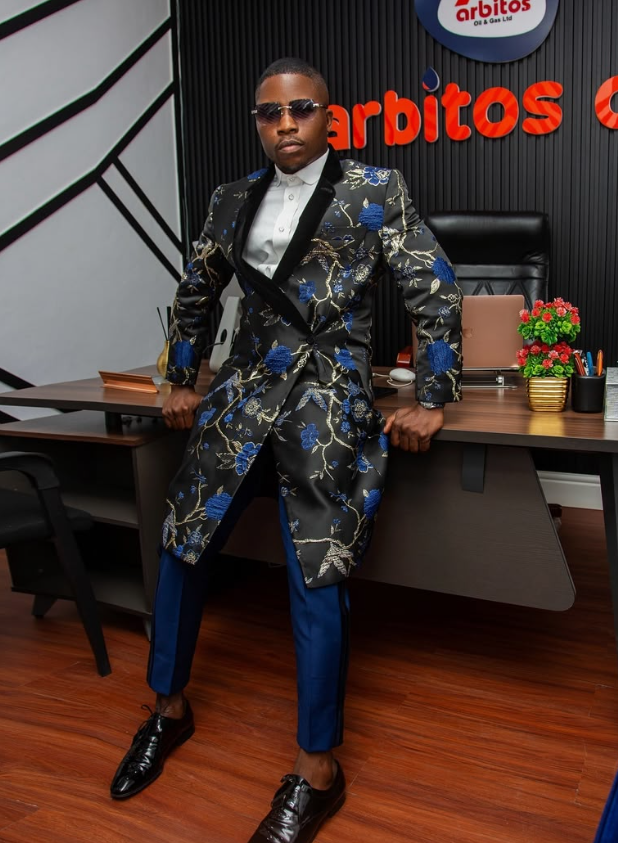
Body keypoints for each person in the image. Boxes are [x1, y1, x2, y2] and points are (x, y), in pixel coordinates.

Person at [110, 57, 462, 843]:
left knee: (317, 571)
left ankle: (317, 767)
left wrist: (432, 396)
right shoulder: (230, 198)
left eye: (300, 109)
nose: (285, 123)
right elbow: (197, 290)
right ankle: (168, 707)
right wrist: (178, 378)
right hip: (240, 392)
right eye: (269, 113)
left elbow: (433, 287)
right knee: (182, 541)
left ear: (328, 116)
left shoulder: (375, 190)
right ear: (258, 123)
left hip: (326, 399)